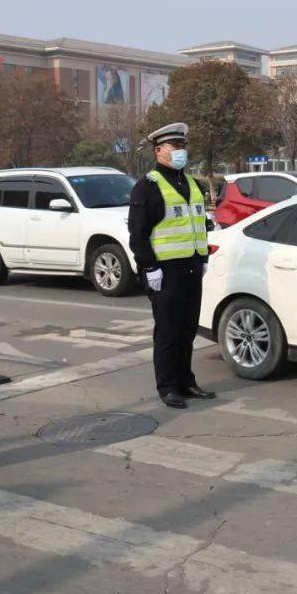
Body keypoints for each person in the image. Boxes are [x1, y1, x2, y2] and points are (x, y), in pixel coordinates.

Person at [128, 122, 216, 408]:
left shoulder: (192, 183)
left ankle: (186, 381)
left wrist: (201, 258)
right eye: (174, 147)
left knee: (188, 329)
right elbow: (138, 234)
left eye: (183, 146)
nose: (181, 151)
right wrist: (149, 268)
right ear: (158, 151)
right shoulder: (148, 187)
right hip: (164, 272)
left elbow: (198, 224)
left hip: (191, 267)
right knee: (168, 331)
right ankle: (167, 387)